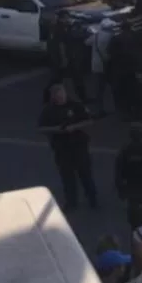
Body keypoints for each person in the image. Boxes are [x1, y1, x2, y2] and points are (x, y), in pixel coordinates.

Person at [38, 82, 98, 210]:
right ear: (53, 97)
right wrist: (57, 129)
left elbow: (89, 120)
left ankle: (92, 199)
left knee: (85, 174)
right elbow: (41, 128)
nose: (60, 98)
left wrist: (74, 127)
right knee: (67, 177)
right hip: (61, 148)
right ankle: (71, 202)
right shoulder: (48, 110)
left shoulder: (76, 106)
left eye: (62, 95)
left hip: (79, 146)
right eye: (57, 96)